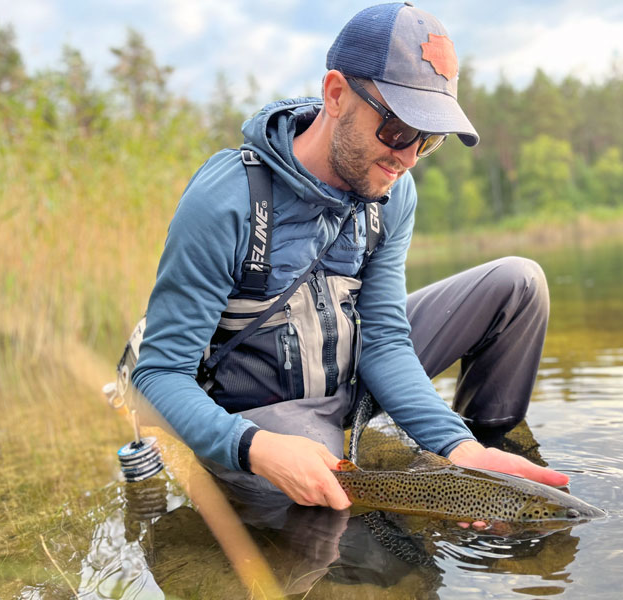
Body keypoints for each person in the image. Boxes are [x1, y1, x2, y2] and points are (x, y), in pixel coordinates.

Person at [131, 2, 569, 517]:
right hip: (268, 406)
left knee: (518, 283)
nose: (408, 158)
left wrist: (458, 448)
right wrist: (255, 448)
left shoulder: (394, 193)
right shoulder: (226, 199)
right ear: (336, 94)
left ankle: (485, 463)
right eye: (399, 129)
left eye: (429, 141)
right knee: (332, 516)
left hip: (349, 369)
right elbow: (159, 375)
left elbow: (383, 338)